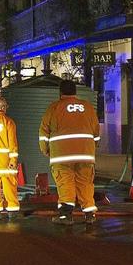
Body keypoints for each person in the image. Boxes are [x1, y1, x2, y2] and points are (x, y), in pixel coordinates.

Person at [39, 80, 100, 225]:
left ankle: (66, 216)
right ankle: (90, 214)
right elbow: (96, 131)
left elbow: (43, 131)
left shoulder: (54, 108)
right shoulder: (87, 107)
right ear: (75, 92)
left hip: (62, 155)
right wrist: (92, 146)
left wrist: (45, 148)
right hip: (85, 154)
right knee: (85, 183)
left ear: (60, 93)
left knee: (65, 183)